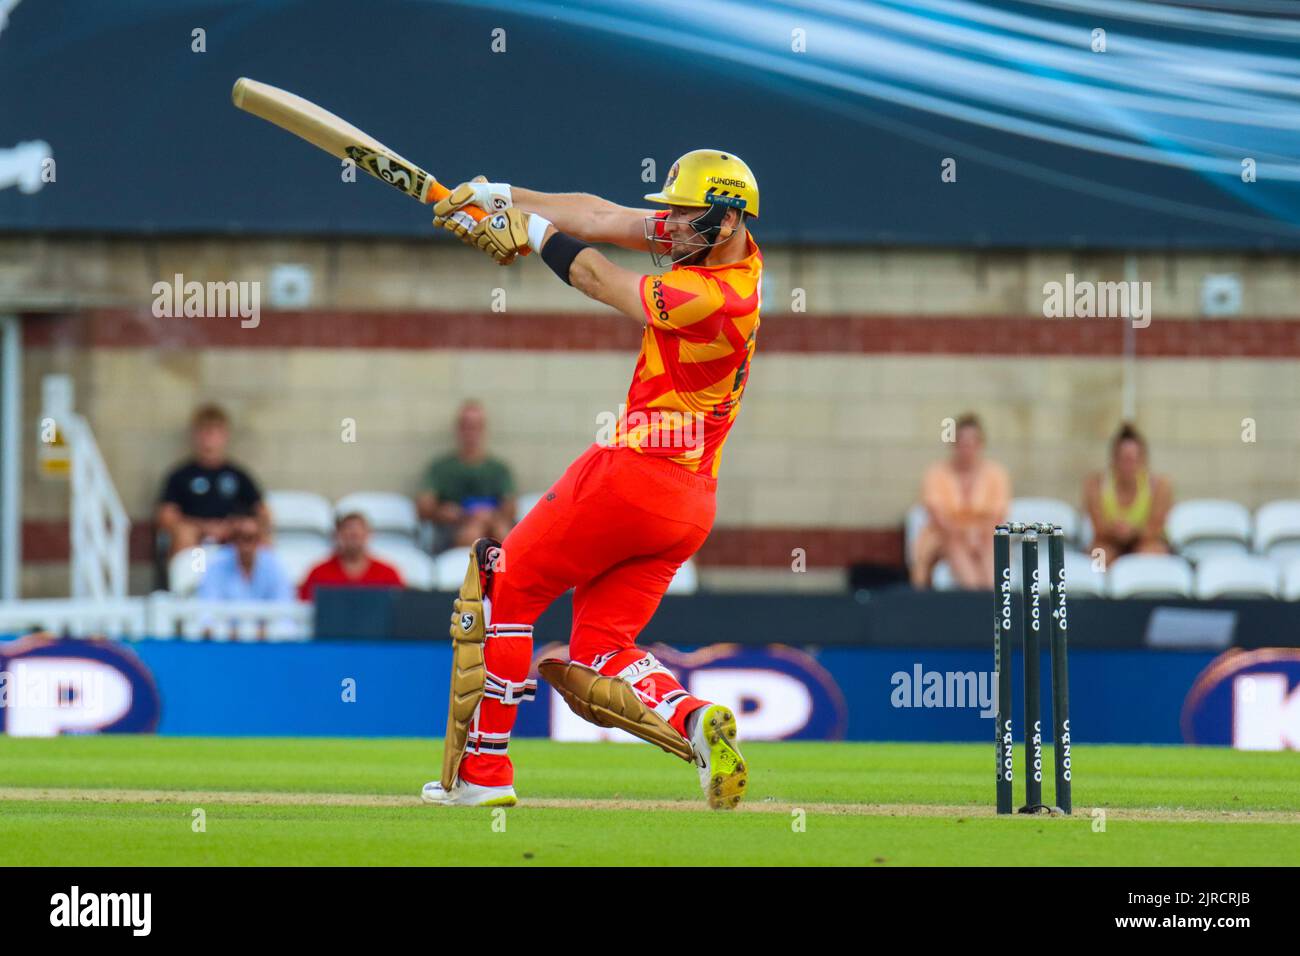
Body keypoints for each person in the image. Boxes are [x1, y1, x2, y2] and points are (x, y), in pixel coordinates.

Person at [420, 150, 760, 809]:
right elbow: (601, 215)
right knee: (600, 644)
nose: (673, 226)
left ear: (727, 218)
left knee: (508, 586)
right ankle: (694, 720)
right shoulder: (726, 247)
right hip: (690, 508)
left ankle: (486, 776)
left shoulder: (708, 297)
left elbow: (600, 277)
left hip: (634, 475)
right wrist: (498, 194)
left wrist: (529, 232)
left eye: (688, 215)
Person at [910, 414, 1010, 589]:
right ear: (953, 444)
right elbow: (938, 516)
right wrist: (965, 534)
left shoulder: (996, 473)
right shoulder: (936, 473)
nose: (967, 448)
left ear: (980, 444)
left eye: (972, 443)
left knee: (990, 546)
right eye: (962, 443)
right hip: (944, 535)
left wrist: (976, 534)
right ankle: (974, 597)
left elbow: (998, 515)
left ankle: (993, 597)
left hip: (984, 535)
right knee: (955, 544)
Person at [157, 405, 268, 557]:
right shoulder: (181, 475)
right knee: (185, 535)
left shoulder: (238, 475)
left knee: (257, 536)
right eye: (204, 432)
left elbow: (263, 512)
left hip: (231, 539)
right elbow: (166, 516)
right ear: (195, 435)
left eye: (215, 432)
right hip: (197, 540)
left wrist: (235, 526)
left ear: (225, 435)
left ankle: (249, 579)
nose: (209, 439)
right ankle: (195, 579)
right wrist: (202, 527)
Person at [417, 401, 516, 548]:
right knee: (474, 533)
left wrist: (488, 517)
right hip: (453, 529)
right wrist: (442, 512)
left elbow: (510, 508)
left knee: (500, 531)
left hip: (492, 525)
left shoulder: (499, 469)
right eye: (466, 426)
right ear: (458, 429)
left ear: (483, 429)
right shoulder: (440, 468)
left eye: (475, 427)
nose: (471, 432)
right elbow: (424, 508)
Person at [1083, 423, 1172, 565]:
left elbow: (1156, 527)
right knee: (1097, 557)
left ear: (1143, 460)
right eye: (1124, 460)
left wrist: (1133, 532)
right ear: (1114, 460)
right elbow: (1098, 528)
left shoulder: (1159, 486)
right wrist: (1116, 531)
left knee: (1151, 554)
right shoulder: (1096, 484)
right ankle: (1096, 586)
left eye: (1133, 460)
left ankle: (1145, 585)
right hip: (1109, 542)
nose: (1129, 466)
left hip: (1144, 542)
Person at [298, 512, 404, 601]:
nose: (353, 538)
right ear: (337, 536)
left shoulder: (388, 574)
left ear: (369, 535)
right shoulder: (318, 573)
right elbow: (304, 611)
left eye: (357, 535)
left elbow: (400, 610)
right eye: (348, 534)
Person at [195, 510, 293, 602]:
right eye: (241, 537)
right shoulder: (216, 564)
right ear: (233, 539)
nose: (246, 545)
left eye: (250, 538)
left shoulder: (274, 565)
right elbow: (208, 610)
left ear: (259, 539)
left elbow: (284, 608)